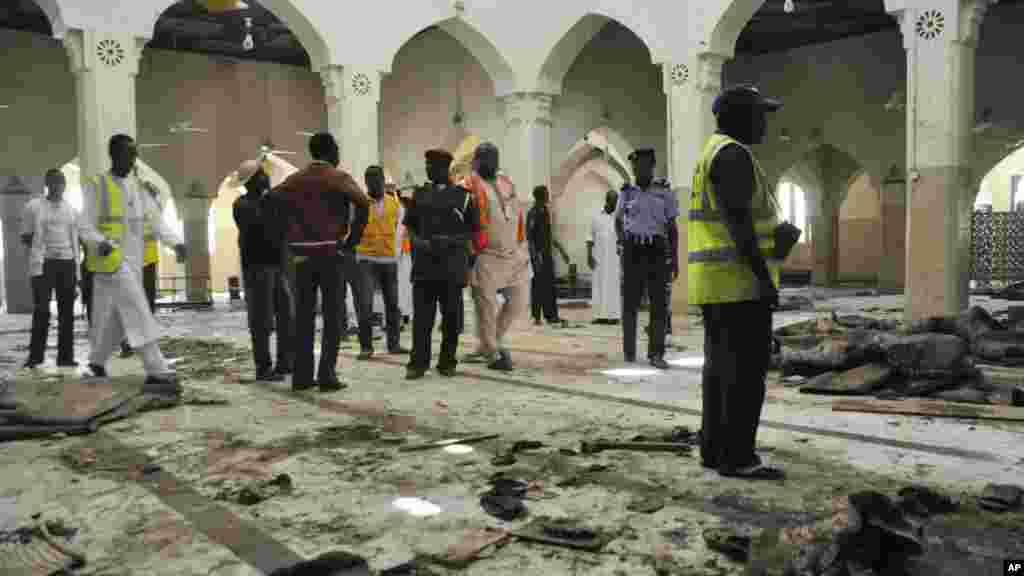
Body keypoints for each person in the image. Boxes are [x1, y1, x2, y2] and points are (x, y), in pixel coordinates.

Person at [690, 85, 784, 480]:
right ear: (740, 117)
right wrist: (765, 279)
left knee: (720, 370)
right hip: (738, 283)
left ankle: (715, 451)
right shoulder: (732, 154)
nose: (765, 122)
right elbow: (739, 223)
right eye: (760, 114)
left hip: (720, 282)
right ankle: (737, 456)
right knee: (744, 374)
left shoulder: (715, 151)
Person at [79, 134, 187, 394]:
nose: (133, 158)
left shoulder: (139, 186)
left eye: (135, 153)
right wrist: (98, 241)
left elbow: (156, 220)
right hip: (111, 259)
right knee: (138, 310)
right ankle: (156, 368)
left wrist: (176, 243)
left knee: (118, 317)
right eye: (128, 153)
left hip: (134, 261)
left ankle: (96, 363)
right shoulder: (98, 184)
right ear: (114, 154)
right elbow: (84, 224)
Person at [270, 132, 369, 392]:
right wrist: (352, 240)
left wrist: (288, 233)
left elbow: (272, 200)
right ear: (330, 151)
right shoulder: (338, 178)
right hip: (330, 253)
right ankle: (326, 374)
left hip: (301, 256)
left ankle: (302, 376)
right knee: (333, 315)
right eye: (336, 149)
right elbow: (362, 204)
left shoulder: (295, 179)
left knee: (303, 316)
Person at [405, 149, 479, 379]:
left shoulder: (464, 197)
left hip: (451, 267)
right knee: (422, 320)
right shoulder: (420, 194)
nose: (426, 169)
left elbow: (472, 232)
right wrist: (418, 243)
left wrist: (450, 241)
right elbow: (410, 226)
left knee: (451, 319)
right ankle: (418, 364)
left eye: (430, 165)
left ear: (442, 167)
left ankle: (447, 362)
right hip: (424, 267)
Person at [460, 143, 528, 371]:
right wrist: (469, 255)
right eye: (486, 158)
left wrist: (522, 246)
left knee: (519, 300)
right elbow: (464, 222)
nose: (492, 162)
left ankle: (490, 341)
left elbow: (517, 213)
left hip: (512, 254)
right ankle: (492, 353)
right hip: (485, 254)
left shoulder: (505, 183)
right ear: (476, 161)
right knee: (485, 307)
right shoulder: (468, 185)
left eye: (495, 157)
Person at [616, 148, 677, 370]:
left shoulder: (664, 191)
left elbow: (672, 227)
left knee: (659, 304)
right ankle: (629, 351)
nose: (637, 171)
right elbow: (618, 220)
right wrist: (621, 243)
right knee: (630, 303)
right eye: (634, 167)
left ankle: (656, 353)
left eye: (641, 166)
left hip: (657, 251)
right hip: (633, 250)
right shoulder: (627, 192)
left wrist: (675, 258)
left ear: (651, 167)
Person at [233, 159, 293, 382]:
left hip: (278, 265)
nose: (266, 177)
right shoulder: (242, 205)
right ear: (252, 181)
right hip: (257, 268)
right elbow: (260, 223)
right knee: (261, 320)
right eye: (262, 174)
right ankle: (263, 367)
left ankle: (285, 362)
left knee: (286, 315)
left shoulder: (272, 200)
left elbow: (283, 224)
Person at [23, 168, 79, 369]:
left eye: (61, 182)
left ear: (65, 185)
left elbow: (76, 240)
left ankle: (65, 358)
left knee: (67, 312)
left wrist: (76, 270)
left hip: (67, 263)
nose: (58, 186)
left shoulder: (71, 210)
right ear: (47, 184)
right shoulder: (34, 206)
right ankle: (35, 357)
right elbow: (26, 237)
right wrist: (44, 253)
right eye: (54, 182)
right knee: (42, 311)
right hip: (43, 265)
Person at [353, 165, 407, 359]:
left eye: (378, 180)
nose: (375, 184)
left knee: (392, 304)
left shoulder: (396, 204)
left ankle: (394, 344)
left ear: (383, 181)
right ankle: (366, 346)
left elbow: (400, 231)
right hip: (365, 259)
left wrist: (397, 254)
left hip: (388, 259)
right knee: (365, 304)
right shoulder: (359, 203)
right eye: (371, 180)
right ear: (366, 182)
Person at [527, 185, 569, 326]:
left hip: (547, 253)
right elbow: (530, 238)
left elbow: (549, 235)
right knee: (538, 286)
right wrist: (535, 256)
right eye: (546, 194)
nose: (548, 196)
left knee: (550, 285)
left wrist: (561, 250)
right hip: (538, 255)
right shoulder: (533, 213)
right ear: (540, 196)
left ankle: (551, 315)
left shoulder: (545, 211)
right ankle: (536, 316)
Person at [587, 189, 621, 325]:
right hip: (599, 257)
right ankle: (599, 316)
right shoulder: (596, 216)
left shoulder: (618, 217)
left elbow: (622, 237)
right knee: (598, 286)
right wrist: (589, 255)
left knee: (613, 286)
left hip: (614, 258)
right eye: (614, 202)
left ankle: (613, 316)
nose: (615, 205)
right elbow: (590, 238)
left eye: (617, 202)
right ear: (607, 201)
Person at [397, 193, 414, 328]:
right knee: (403, 285)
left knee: (405, 285)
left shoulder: (403, 210)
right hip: (401, 253)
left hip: (406, 253)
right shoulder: (400, 210)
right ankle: (404, 313)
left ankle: (406, 313)